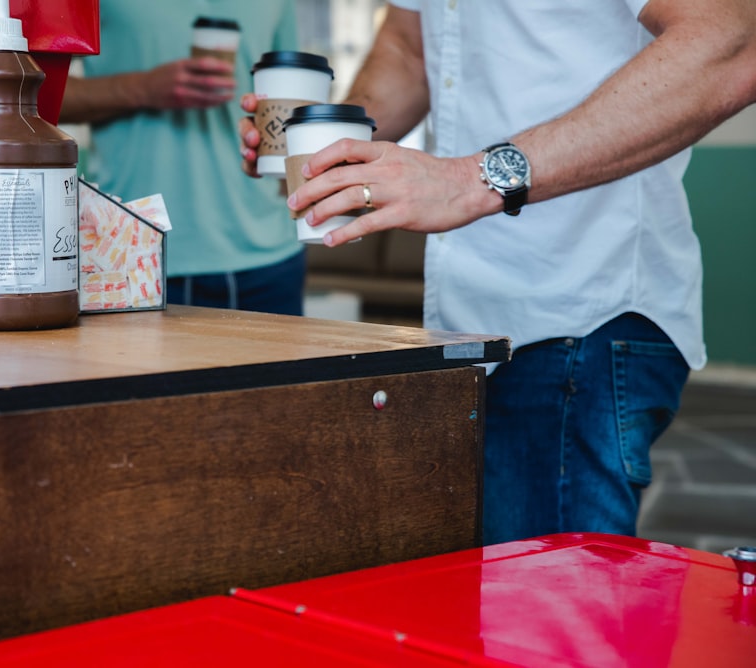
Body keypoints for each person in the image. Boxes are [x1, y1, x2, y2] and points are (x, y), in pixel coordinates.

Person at [240, 1, 756, 544]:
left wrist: (473, 179)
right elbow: (411, 51)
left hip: (583, 310)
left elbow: (731, 40)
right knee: (489, 608)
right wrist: (324, 148)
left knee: (552, 618)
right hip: (471, 324)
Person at [59, 1, 306, 315]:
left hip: (271, 258)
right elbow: (31, 89)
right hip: (133, 253)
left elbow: (292, 100)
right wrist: (143, 88)